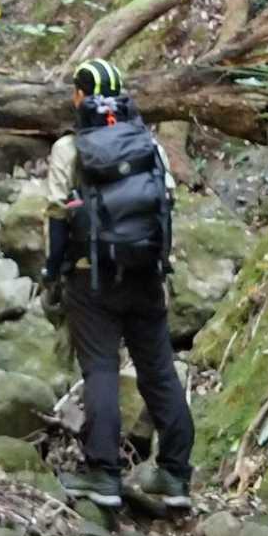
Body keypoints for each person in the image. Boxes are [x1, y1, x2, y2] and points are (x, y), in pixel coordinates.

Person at [41, 58, 193, 510]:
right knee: (159, 370)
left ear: (79, 96)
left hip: (92, 277)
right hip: (146, 274)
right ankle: (175, 474)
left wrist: (52, 272)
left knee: (101, 370)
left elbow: (56, 215)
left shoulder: (69, 148)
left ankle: (103, 475)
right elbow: (166, 205)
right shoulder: (149, 144)